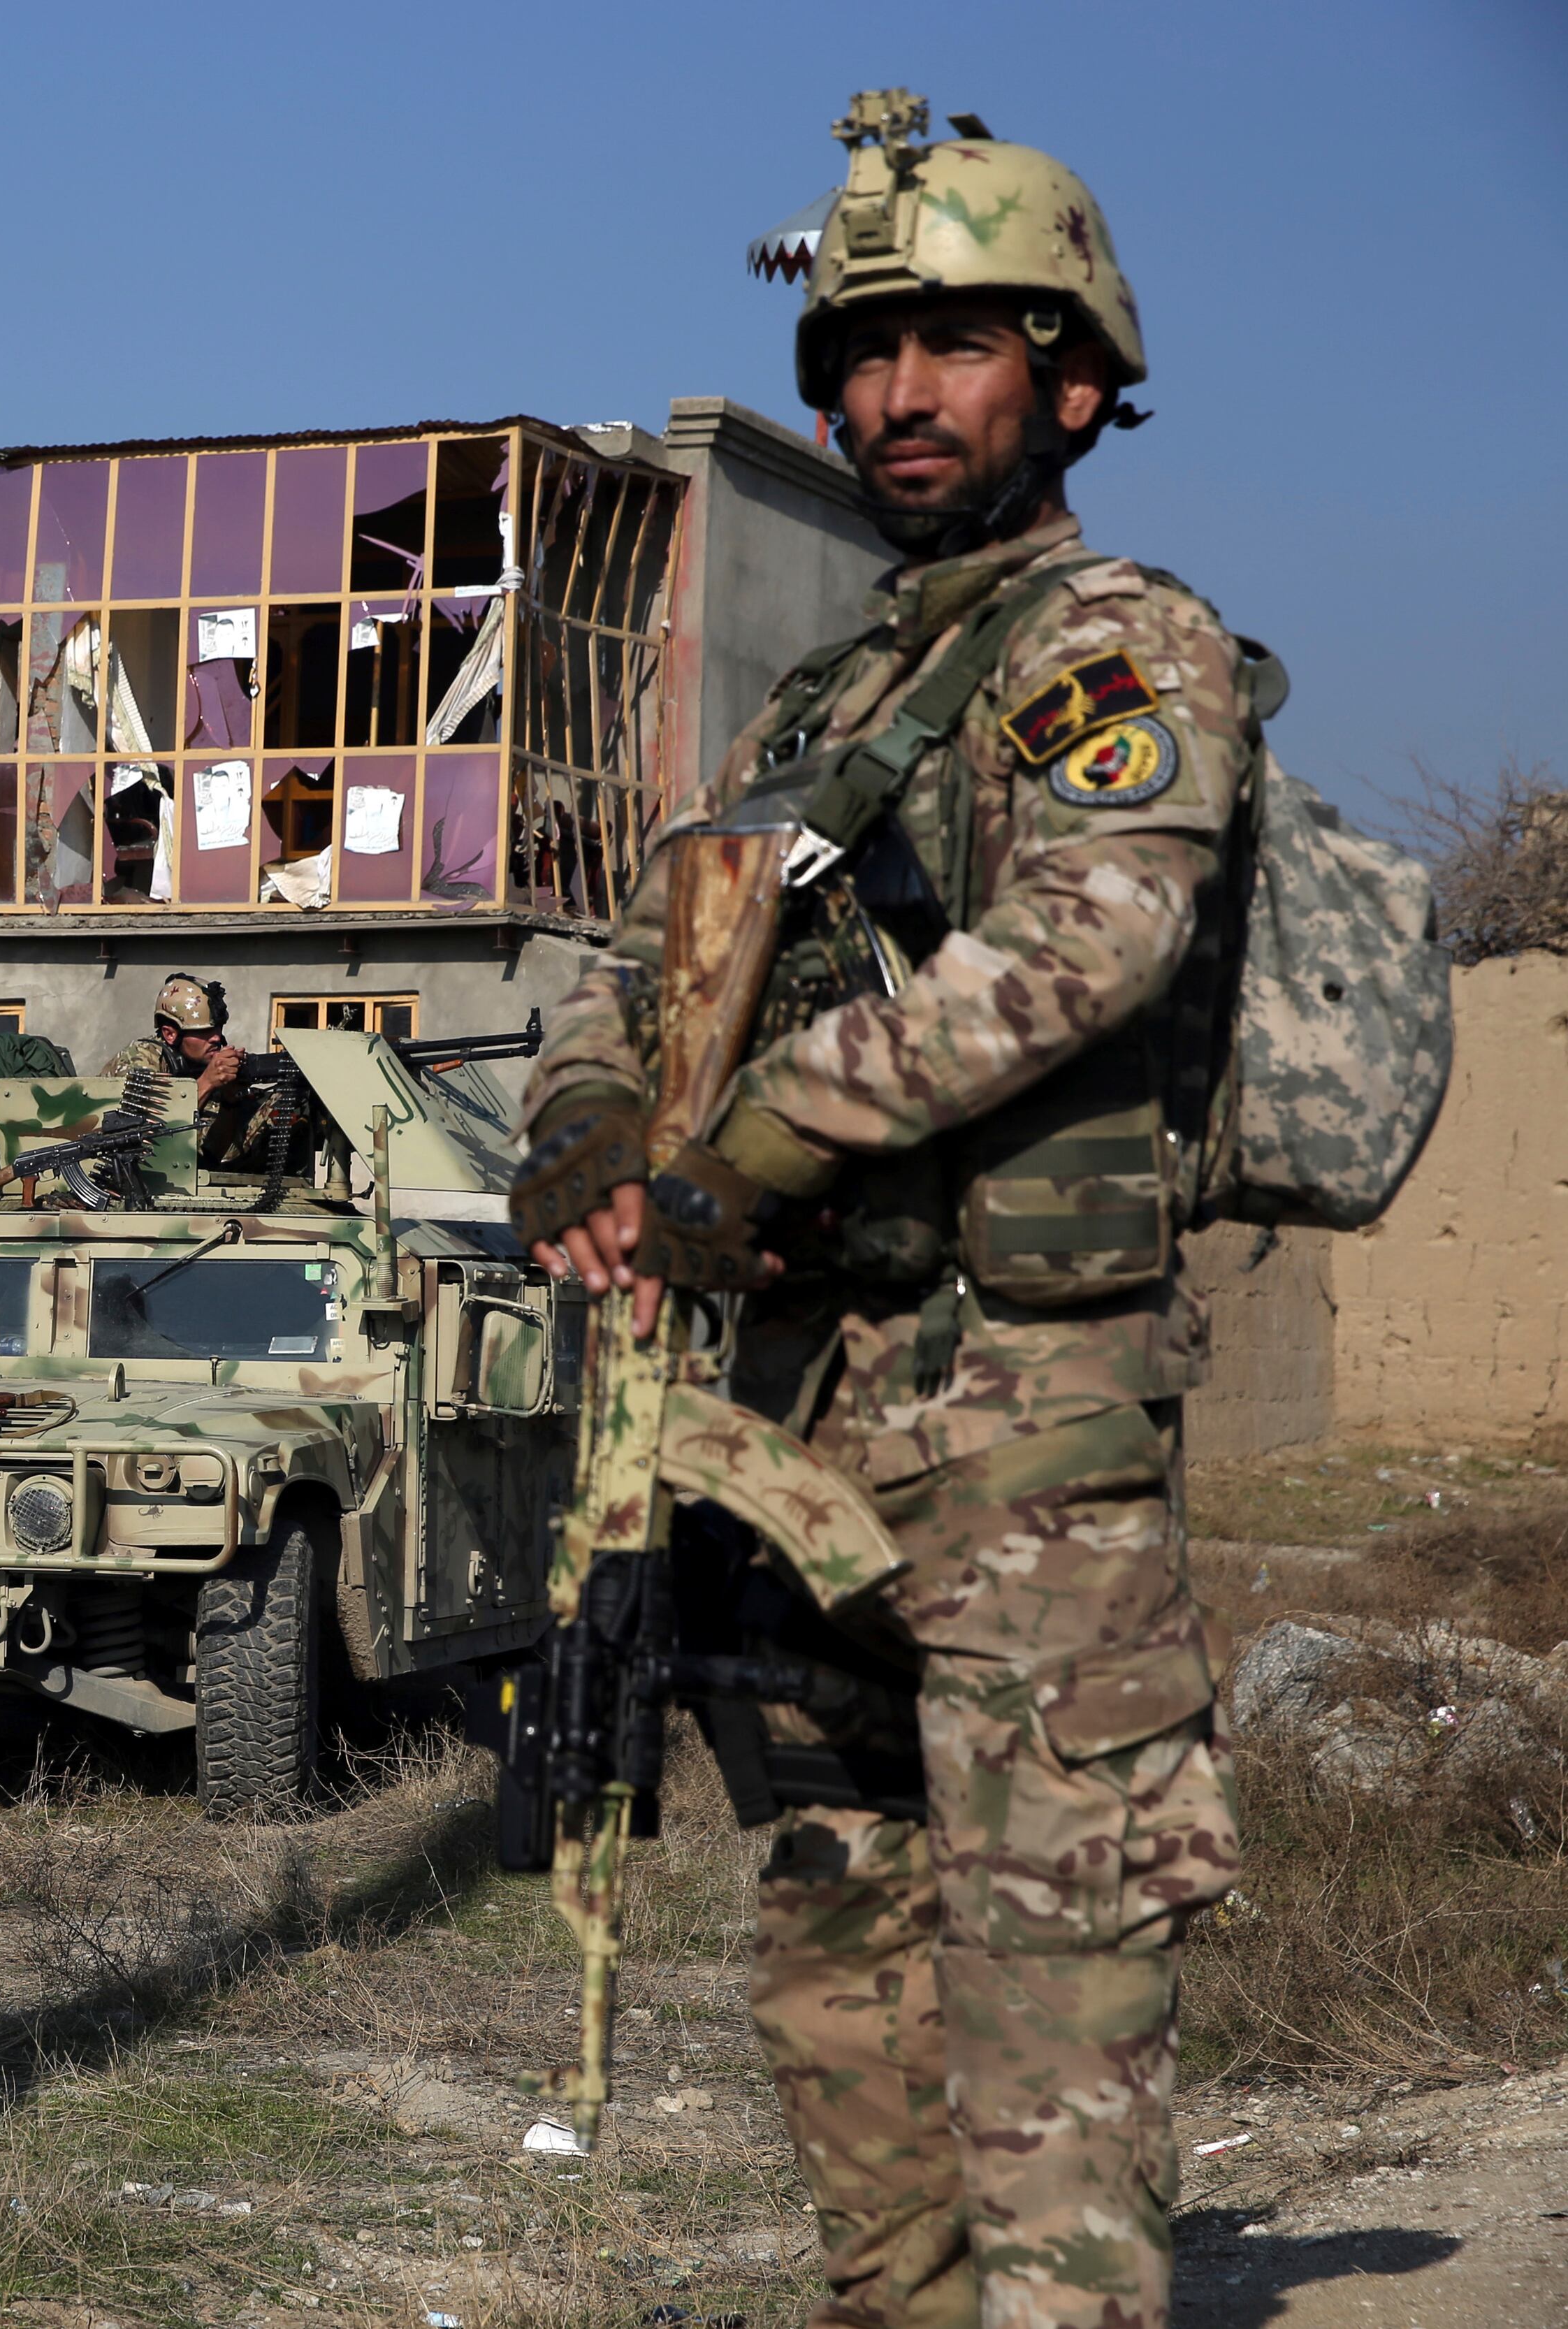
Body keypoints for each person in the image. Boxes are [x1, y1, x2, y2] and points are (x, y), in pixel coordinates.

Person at [510, 92, 1244, 2329]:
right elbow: (641, 975)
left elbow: (1082, 942)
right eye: (861, 353)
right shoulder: (831, 700)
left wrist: (750, 1148)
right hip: (791, 1427)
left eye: (950, 349)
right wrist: (584, 1133)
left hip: (1021, 1426)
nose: (891, 397)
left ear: (1076, 376)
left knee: (1044, 2010)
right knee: (834, 1975)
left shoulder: (1111, 644)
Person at [106, 973, 275, 1168]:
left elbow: (212, 1155)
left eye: (218, 1029)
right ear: (170, 1033)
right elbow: (153, 1136)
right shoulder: (141, 1059)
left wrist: (230, 1101)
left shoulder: (198, 1065)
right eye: (204, 1031)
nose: (216, 1038)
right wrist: (207, 1083)